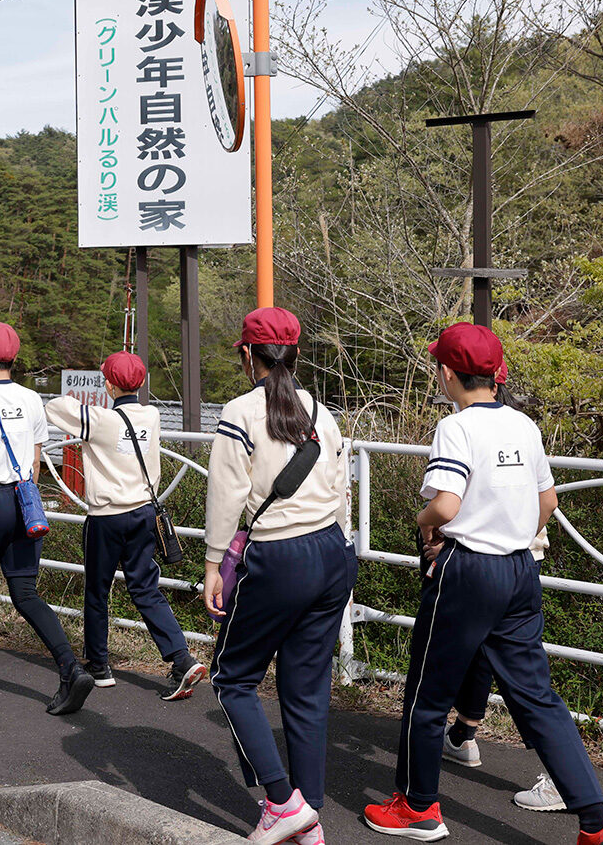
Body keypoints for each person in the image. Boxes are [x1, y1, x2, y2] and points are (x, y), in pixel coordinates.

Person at [364, 323, 603, 845]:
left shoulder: (456, 427)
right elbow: (547, 503)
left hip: (468, 571)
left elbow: (445, 504)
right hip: (519, 571)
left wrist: (424, 524)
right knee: (538, 698)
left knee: (426, 694)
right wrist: (510, 533)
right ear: (494, 372)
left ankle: (418, 809)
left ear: (446, 372)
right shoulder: (523, 425)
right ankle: (599, 825)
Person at [204, 308, 354, 845]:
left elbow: (225, 495)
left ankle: (281, 802)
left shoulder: (240, 412)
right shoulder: (323, 411)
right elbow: (339, 492)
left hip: (278, 557)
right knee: (307, 690)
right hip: (332, 553)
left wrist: (213, 564)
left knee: (232, 677)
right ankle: (309, 815)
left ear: (249, 354)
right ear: (295, 354)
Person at [0, 321, 90, 715]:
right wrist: (28, 501)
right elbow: (36, 459)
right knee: (25, 593)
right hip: (24, 500)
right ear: (14, 358)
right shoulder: (32, 400)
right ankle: (70, 668)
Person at [44, 350, 203, 704]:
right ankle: (181, 658)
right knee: (145, 589)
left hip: (106, 517)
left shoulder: (99, 421)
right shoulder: (152, 415)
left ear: (109, 384)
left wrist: (92, 393)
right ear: (143, 382)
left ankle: (100, 667)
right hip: (143, 512)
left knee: (98, 591)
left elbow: (54, 408)